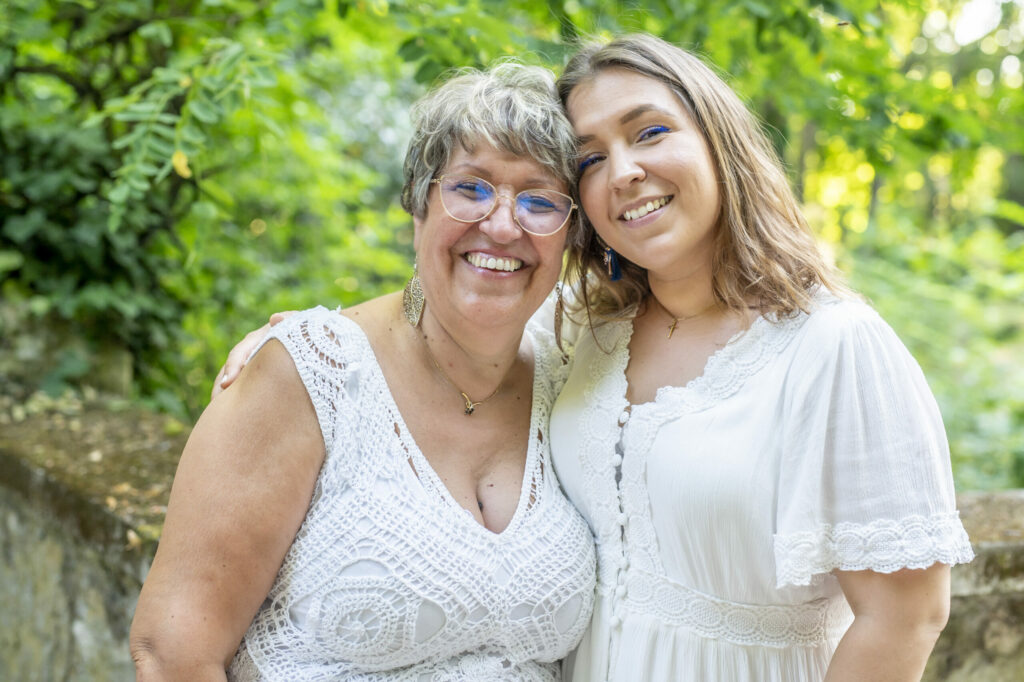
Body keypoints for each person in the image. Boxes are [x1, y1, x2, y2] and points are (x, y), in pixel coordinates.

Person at [215, 34, 974, 681]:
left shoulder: (833, 346)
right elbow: (447, 309)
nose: (623, 172)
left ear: (719, 141)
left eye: (649, 133)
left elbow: (906, 618)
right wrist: (312, 337)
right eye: (588, 160)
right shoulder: (582, 334)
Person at [129, 63, 597, 681]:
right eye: (471, 188)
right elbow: (172, 655)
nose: (503, 225)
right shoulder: (309, 374)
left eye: (540, 201)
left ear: (569, 237)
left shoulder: (577, 366)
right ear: (418, 204)